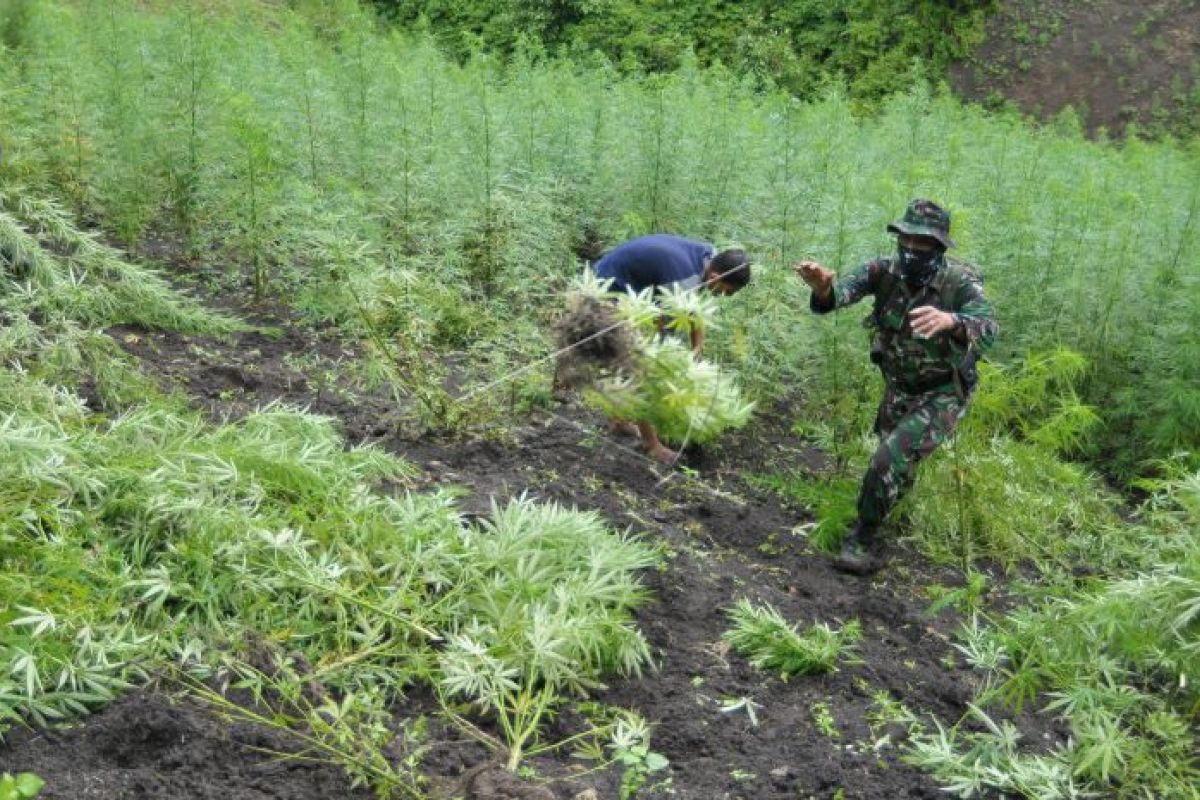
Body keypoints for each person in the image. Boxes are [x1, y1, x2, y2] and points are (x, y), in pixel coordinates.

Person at [792, 199, 997, 574]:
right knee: (896, 462)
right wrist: (822, 288)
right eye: (907, 242)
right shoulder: (882, 272)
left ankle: (862, 540)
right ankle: (891, 513)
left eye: (923, 246)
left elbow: (989, 328)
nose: (912, 252)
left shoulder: (959, 283)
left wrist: (952, 321)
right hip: (899, 385)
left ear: (940, 248)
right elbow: (837, 298)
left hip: (943, 391)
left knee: (888, 459)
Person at [592, 233, 751, 463]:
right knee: (642, 363)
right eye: (727, 291)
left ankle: (619, 420)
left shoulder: (710, 256)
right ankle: (651, 444)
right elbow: (663, 339)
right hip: (609, 286)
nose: (724, 297)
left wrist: (697, 354)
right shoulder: (683, 279)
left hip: (631, 282)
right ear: (715, 276)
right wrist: (675, 369)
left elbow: (694, 308)